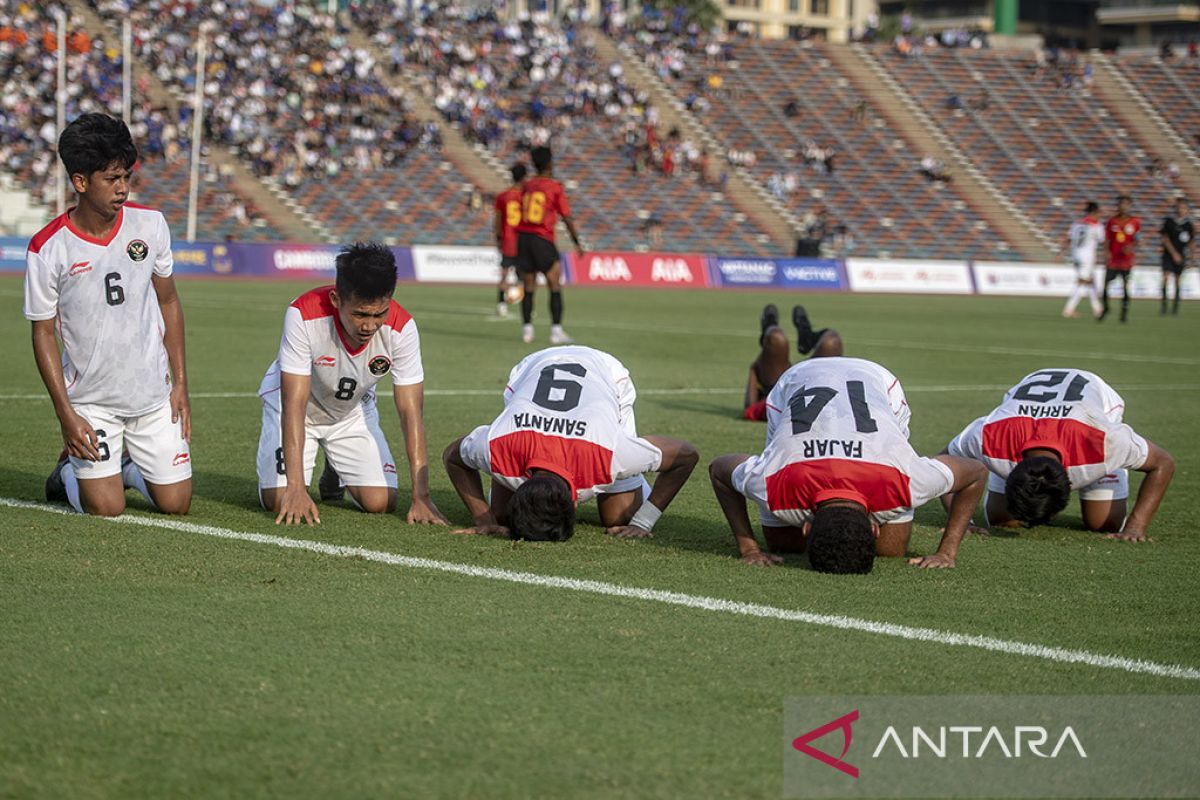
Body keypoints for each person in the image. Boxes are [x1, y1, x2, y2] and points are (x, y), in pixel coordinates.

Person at [27, 113, 192, 517]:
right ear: (80, 182)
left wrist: (180, 384)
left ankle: (129, 469)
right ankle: (67, 471)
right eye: (111, 179)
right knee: (105, 509)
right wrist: (67, 415)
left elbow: (168, 302)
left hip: (152, 397)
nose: (122, 189)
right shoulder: (48, 249)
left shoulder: (150, 226)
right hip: (92, 402)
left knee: (177, 504)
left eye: (126, 178)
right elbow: (43, 334)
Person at [711, 357, 987, 573]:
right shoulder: (905, 482)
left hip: (877, 381)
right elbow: (974, 471)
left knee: (891, 548)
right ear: (874, 528)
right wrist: (748, 547)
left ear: (807, 527)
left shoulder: (906, 479)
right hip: (798, 381)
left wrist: (947, 551)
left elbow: (977, 472)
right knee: (785, 545)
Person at [256, 241, 447, 527]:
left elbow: (411, 413)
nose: (369, 326)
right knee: (279, 499)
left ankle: (335, 466)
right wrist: (296, 488)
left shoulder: (403, 328)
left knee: (381, 502)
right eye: (360, 314)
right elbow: (293, 404)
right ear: (336, 299)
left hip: (350, 412)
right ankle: (304, 476)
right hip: (298, 412)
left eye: (379, 314)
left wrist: (421, 496)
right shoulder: (303, 314)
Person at [442, 346, 698, 541]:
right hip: (535, 367)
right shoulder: (498, 447)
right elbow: (452, 455)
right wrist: (484, 518)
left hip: (607, 373)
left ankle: (633, 474)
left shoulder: (608, 454)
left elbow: (684, 456)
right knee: (501, 517)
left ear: (575, 503)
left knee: (619, 517)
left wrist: (644, 521)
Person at [943, 368, 1174, 540]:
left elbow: (1163, 463)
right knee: (1003, 520)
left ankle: (1110, 472)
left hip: (1095, 408)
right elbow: (943, 461)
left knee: (1104, 522)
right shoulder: (989, 436)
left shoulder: (1104, 441)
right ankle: (1002, 476)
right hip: (1018, 425)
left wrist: (1135, 527)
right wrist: (964, 523)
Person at [515, 146, 585, 345]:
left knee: (528, 286)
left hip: (524, 238)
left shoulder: (527, 185)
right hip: (542, 238)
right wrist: (577, 242)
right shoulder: (554, 186)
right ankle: (556, 330)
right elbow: (566, 216)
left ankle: (527, 330)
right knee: (554, 283)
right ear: (549, 163)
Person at [744, 304, 843, 422]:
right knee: (832, 341)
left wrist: (754, 371)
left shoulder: (772, 409)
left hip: (776, 389)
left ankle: (769, 329)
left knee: (776, 337)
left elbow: (749, 410)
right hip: (811, 386)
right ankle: (807, 336)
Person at [493, 163, 527, 317]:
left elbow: (498, 220)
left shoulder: (504, 196)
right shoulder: (526, 196)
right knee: (525, 276)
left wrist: (498, 237)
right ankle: (524, 306)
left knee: (504, 274)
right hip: (523, 240)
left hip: (508, 239)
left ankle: (501, 303)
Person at [1062, 201, 1105, 319]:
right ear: (1094, 212)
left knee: (1089, 281)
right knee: (1082, 281)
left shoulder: (1077, 223)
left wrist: (1062, 252)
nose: (1100, 215)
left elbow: (1069, 238)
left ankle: (1098, 308)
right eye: (1099, 212)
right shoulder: (1097, 225)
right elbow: (1103, 240)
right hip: (1087, 256)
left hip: (1075, 254)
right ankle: (1069, 309)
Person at [1101, 194, 1141, 322]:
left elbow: (1138, 239)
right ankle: (1106, 307)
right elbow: (1107, 239)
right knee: (1106, 285)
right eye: (1121, 204)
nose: (1123, 206)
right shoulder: (1111, 221)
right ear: (1117, 206)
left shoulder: (1135, 222)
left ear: (1129, 206)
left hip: (1126, 260)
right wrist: (1106, 253)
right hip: (1113, 259)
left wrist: (1131, 246)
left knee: (1125, 286)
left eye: (1125, 204)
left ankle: (1124, 313)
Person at [1160, 196, 1194, 315]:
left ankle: (1175, 308)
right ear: (1175, 208)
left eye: (1184, 208)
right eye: (1179, 207)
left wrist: (1192, 258)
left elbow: (1191, 242)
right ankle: (1164, 306)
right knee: (1165, 278)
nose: (1181, 210)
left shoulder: (1188, 225)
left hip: (1181, 256)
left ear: (1187, 210)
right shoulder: (1169, 222)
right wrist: (1174, 254)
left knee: (1178, 281)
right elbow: (1165, 239)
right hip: (1168, 255)